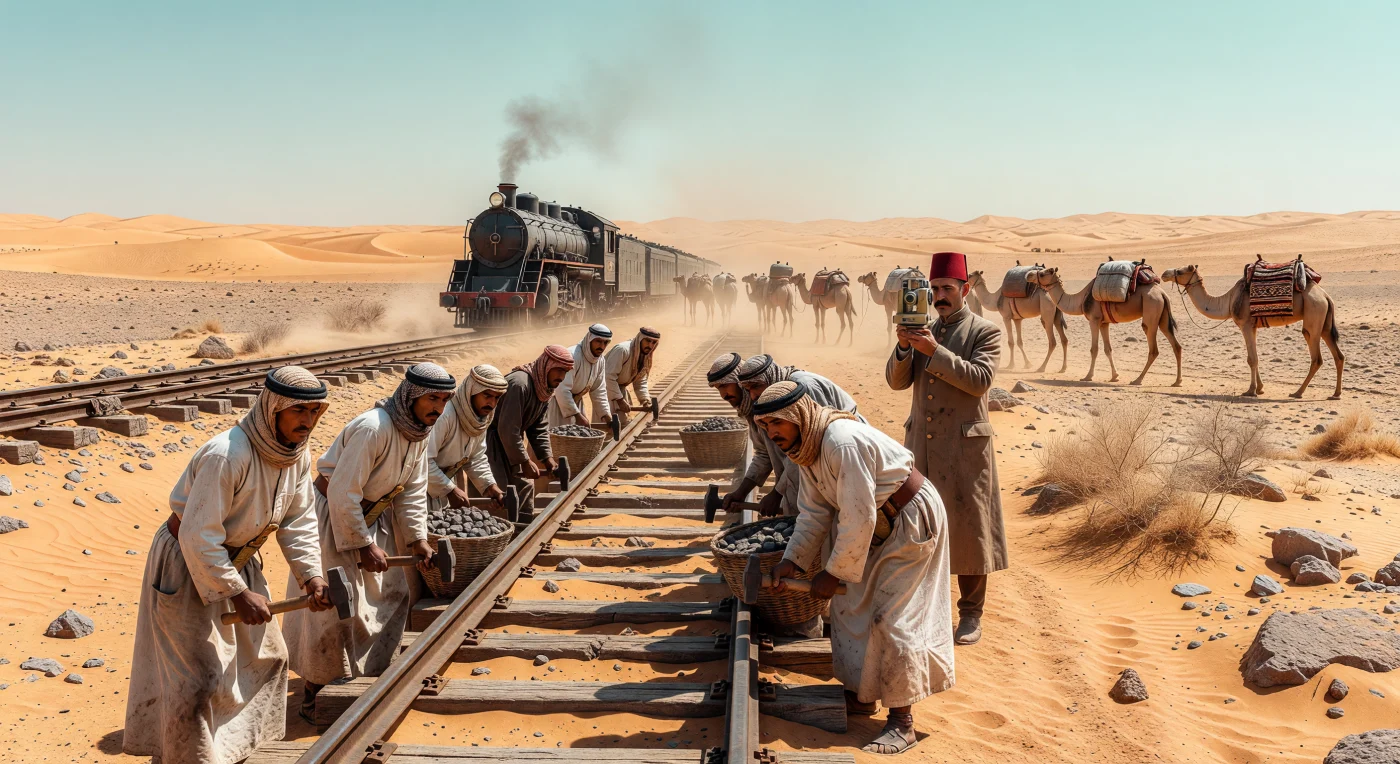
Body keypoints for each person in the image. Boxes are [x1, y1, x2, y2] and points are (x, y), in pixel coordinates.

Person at [124, 367, 332, 764]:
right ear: (273, 410)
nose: (308, 421)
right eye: (299, 411)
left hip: (238, 562)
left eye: (315, 411)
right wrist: (236, 592)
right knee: (197, 681)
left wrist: (312, 576)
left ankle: (230, 752)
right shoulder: (228, 454)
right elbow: (198, 536)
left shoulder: (296, 454)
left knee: (269, 659)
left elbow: (299, 521)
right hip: (187, 565)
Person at [757, 381, 953, 755]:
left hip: (909, 518)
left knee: (892, 618)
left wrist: (834, 573)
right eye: (765, 426)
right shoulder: (808, 448)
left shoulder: (840, 442)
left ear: (798, 416)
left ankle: (902, 721)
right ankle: (863, 697)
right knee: (850, 609)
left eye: (776, 423)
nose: (771, 433)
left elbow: (857, 515)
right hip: (875, 524)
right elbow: (815, 513)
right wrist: (792, 561)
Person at [284, 362, 454, 719]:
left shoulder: (418, 433)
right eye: (432, 399)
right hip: (334, 519)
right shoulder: (373, 428)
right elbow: (343, 492)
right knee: (334, 610)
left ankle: (365, 681)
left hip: (371, 519)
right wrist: (362, 544)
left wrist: (417, 540)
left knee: (390, 596)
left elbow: (412, 491)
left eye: (444, 399)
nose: (438, 408)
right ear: (412, 396)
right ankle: (314, 696)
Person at [885, 251, 1006, 646]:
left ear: (965, 289)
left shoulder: (984, 332)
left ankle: (971, 614)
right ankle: (923, 610)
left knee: (971, 529)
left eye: (947, 289)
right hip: (921, 445)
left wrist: (933, 351)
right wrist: (905, 347)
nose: (939, 296)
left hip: (966, 449)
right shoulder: (922, 327)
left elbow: (980, 380)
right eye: (934, 289)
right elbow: (895, 382)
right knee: (919, 528)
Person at [725, 353, 862, 517]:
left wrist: (777, 493)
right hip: (815, 460)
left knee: (845, 511)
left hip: (844, 453)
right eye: (748, 389)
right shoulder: (766, 403)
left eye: (756, 386)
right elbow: (764, 453)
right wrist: (742, 491)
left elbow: (809, 443)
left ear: (771, 378)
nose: (753, 395)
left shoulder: (802, 389)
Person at [488, 345, 571, 521]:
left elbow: (538, 426)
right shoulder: (519, 384)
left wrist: (546, 459)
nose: (562, 377)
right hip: (491, 445)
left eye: (565, 372)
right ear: (547, 366)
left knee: (524, 487)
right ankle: (501, 540)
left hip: (510, 442)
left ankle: (522, 531)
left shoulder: (544, 388)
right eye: (558, 371)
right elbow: (507, 429)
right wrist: (524, 461)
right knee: (499, 495)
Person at [425, 364, 508, 514]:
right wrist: (449, 490)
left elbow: (475, 457)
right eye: (487, 395)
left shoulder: (481, 418)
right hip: (422, 488)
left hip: (444, 484)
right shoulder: (445, 415)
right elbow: (423, 461)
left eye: (497, 397)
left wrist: (489, 485)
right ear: (472, 391)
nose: (492, 403)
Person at [547, 323, 612, 429]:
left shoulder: (600, 361)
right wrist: (577, 415)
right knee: (554, 439)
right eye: (598, 341)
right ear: (589, 339)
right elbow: (561, 389)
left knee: (576, 440)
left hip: (577, 403)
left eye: (605, 343)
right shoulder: (572, 355)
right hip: (557, 403)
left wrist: (606, 416)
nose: (602, 346)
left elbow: (598, 390)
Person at [605, 326, 660, 426]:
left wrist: (645, 401)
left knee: (622, 425)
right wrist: (620, 400)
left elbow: (640, 381)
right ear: (640, 338)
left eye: (654, 342)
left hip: (619, 390)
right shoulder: (623, 350)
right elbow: (608, 377)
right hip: (606, 390)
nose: (650, 345)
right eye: (648, 341)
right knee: (608, 424)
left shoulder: (645, 355)